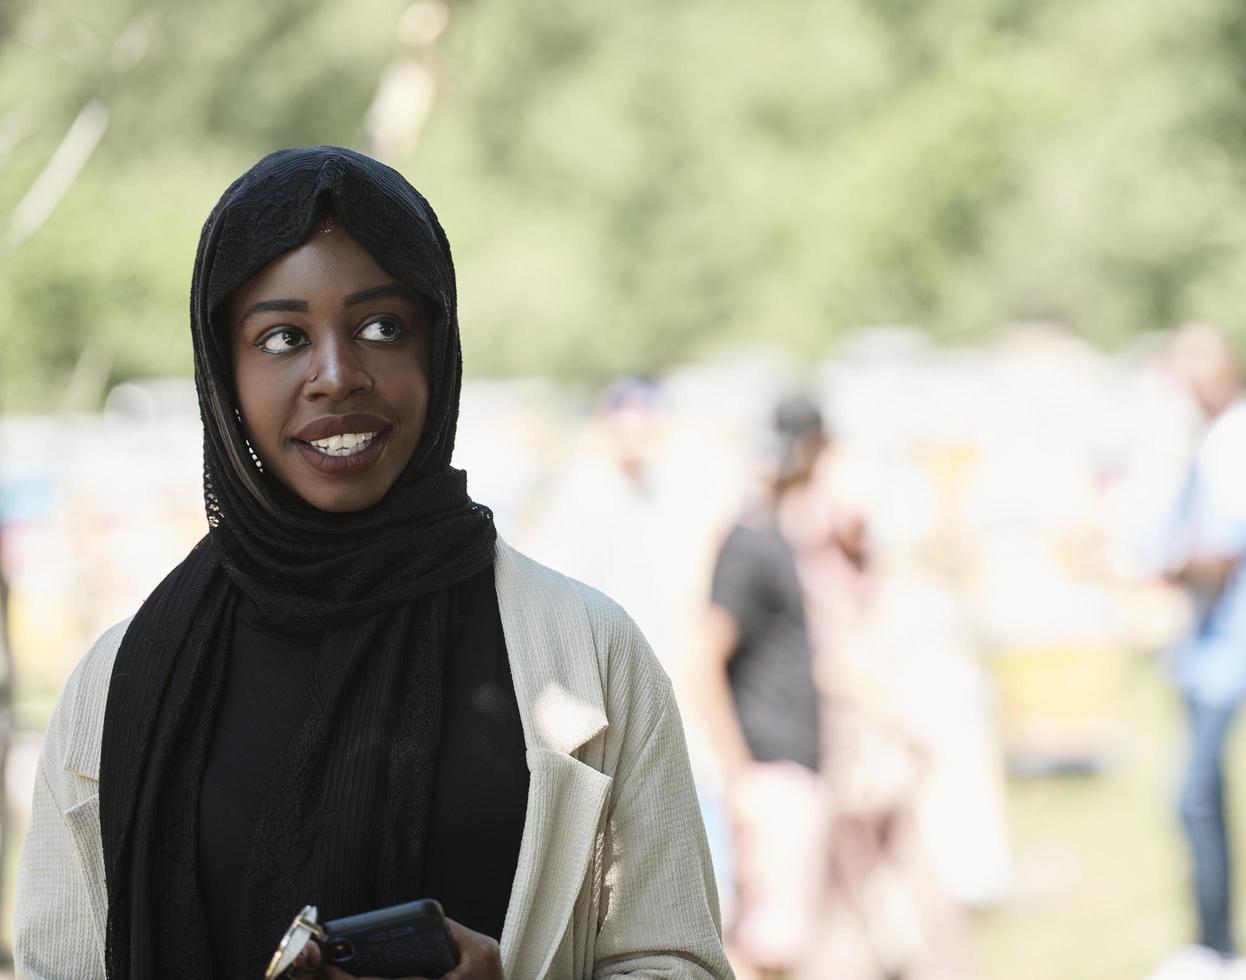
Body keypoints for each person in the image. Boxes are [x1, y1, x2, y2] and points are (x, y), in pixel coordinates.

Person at [14, 146, 732, 980]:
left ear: (438, 348)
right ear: (224, 374)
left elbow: (678, 961)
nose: (336, 376)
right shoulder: (122, 683)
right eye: (282, 337)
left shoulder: (589, 657)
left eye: (381, 327)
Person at [1149, 324, 1246, 980]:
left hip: (1234, 639)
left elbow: (1227, 548)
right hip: (1204, 643)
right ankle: (1215, 940)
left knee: (1193, 795)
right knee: (1202, 793)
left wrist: (1159, 568)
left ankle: (1221, 950)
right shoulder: (1212, 435)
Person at [686, 395, 827, 979]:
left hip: (779, 766)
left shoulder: (769, 536)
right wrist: (740, 773)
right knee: (762, 951)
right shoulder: (750, 541)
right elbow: (702, 659)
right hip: (767, 768)